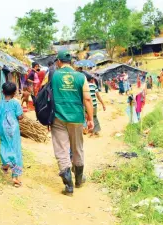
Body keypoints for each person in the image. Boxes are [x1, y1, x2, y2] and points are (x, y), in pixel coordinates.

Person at [51, 50, 94, 196]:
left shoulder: (53, 75)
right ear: (71, 63)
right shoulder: (80, 77)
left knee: (62, 150)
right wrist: (90, 119)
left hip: (58, 117)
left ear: (58, 62)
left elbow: (43, 94)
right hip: (76, 118)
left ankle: (68, 186)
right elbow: (87, 99)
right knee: (78, 148)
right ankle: (79, 180)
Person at [0, 82, 24, 187]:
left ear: (2, 92)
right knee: (16, 150)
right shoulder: (15, 103)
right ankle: (15, 177)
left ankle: (6, 164)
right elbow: (20, 117)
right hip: (14, 130)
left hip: (2, 129)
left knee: (4, 146)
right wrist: (21, 115)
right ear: (14, 93)